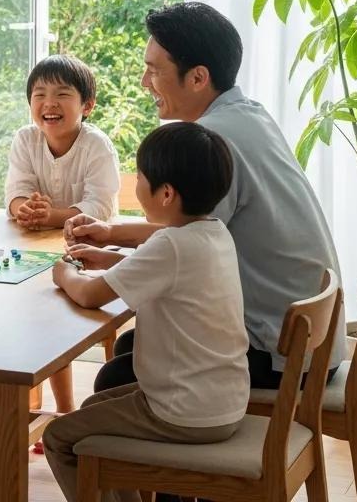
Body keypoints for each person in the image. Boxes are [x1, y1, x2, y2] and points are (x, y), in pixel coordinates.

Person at [66, 1, 344, 392]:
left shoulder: (215, 141)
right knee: (133, 345)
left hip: (281, 356)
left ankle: (147, 448)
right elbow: (203, 241)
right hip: (309, 341)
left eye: (154, 70)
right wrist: (112, 236)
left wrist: (111, 249)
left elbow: (187, 242)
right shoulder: (249, 114)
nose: (145, 83)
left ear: (197, 77)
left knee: (117, 377)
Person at [43, 122, 249, 502]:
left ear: (166, 193)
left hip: (180, 412)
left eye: (139, 176)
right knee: (93, 410)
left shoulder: (169, 244)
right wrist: (108, 258)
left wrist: (64, 273)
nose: (135, 184)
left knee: (59, 437)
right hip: (223, 400)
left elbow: (89, 295)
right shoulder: (214, 232)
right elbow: (161, 266)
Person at [4, 53, 120, 413]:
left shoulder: (96, 145)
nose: (49, 103)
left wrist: (49, 215)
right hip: (36, 246)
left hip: (95, 250)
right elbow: (14, 192)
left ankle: (66, 411)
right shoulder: (25, 139)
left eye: (62, 94)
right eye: (39, 94)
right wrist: (23, 208)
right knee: (27, 303)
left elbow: (98, 209)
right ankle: (39, 406)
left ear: (87, 105)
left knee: (51, 311)